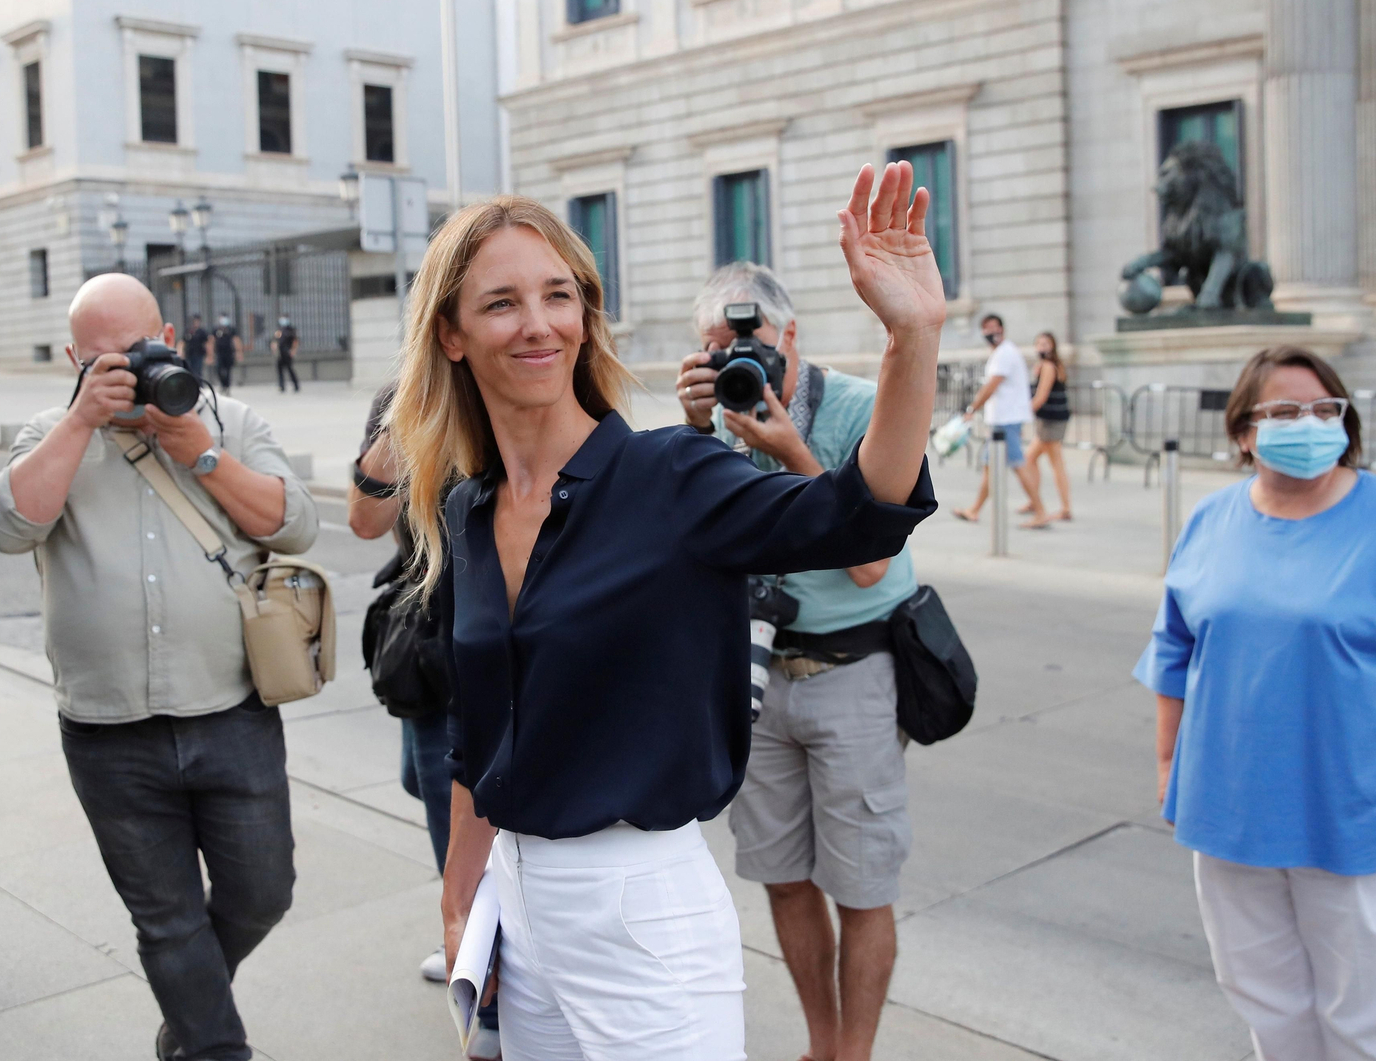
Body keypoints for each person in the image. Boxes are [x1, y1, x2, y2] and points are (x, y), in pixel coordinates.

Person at [394, 161, 941, 1060]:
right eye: (501, 303)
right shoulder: (467, 509)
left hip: (642, 911)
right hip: (516, 910)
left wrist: (910, 336)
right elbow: (475, 732)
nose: (538, 323)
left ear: (584, 315)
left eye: (557, 295)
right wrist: (461, 904)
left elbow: (863, 511)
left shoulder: (671, 478)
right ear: (450, 335)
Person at [1135, 345, 1376, 1061]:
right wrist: (1168, 766)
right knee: (1265, 998)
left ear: (1345, 419)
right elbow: (1173, 653)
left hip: (1364, 805)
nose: (1305, 424)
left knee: (1375, 1014)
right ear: (1244, 431)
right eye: (1282, 411)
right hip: (1233, 804)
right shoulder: (1210, 521)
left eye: (1321, 409)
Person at [0, 273, 319, 1061]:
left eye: (136, 350)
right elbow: (5, 527)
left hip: (232, 710)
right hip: (107, 730)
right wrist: (80, 419)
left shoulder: (228, 421)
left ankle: (189, 1008)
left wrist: (203, 455)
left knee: (263, 892)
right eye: (102, 359)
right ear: (73, 357)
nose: (126, 371)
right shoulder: (48, 433)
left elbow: (295, 523)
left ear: (166, 334)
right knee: (165, 917)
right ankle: (208, 1043)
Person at [674, 262, 918, 1061]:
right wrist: (691, 431)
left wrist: (794, 452)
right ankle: (820, 1043)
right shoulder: (713, 419)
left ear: (793, 338)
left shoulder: (856, 409)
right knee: (782, 875)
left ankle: (857, 1052)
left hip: (852, 671)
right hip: (754, 674)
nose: (746, 365)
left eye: (757, 347)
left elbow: (871, 564)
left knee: (862, 886)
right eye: (720, 350)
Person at [348, 382, 455, 983]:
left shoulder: (530, 380)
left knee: (449, 798)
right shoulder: (401, 399)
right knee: (421, 780)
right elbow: (366, 520)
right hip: (424, 632)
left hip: (494, 636)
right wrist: (403, 419)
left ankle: (476, 958)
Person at [952, 314, 1044, 527]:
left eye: (994, 327)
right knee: (989, 466)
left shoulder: (1005, 353)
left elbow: (992, 385)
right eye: (986, 328)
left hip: (1006, 420)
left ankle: (1040, 510)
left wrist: (972, 409)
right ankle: (974, 510)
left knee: (1018, 464)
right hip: (1001, 420)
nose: (991, 332)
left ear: (1002, 329)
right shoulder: (1002, 352)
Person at [1023, 331, 1071, 526]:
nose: (1042, 347)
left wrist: (1022, 414)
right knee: (1032, 459)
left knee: (1052, 462)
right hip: (1051, 420)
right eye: (1039, 343)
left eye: (1045, 343)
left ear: (1052, 346)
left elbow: (1041, 396)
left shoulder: (1049, 366)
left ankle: (1065, 507)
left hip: (1051, 421)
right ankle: (1034, 501)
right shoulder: (1046, 366)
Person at [212, 315, 243, 395]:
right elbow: (212, 341)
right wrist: (211, 353)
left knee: (228, 370)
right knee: (219, 369)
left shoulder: (231, 329)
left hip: (229, 353)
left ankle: (227, 387)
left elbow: (236, 340)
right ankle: (223, 385)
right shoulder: (216, 329)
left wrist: (238, 352)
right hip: (219, 353)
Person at [271, 316, 300, 393]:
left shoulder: (290, 330)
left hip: (287, 352)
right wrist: (274, 349)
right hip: (280, 353)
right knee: (280, 370)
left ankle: (296, 385)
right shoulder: (279, 331)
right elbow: (275, 341)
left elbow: (295, 341)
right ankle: (281, 386)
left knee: (290, 369)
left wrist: (293, 351)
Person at [180, 315, 210, 380]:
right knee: (189, 370)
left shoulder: (202, 332)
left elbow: (206, 343)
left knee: (198, 370)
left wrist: (209, 355)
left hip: (199, 353)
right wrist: (181, 352)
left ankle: (199, 384)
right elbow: (183, 342)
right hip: (189, 353)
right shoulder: (188, 331)